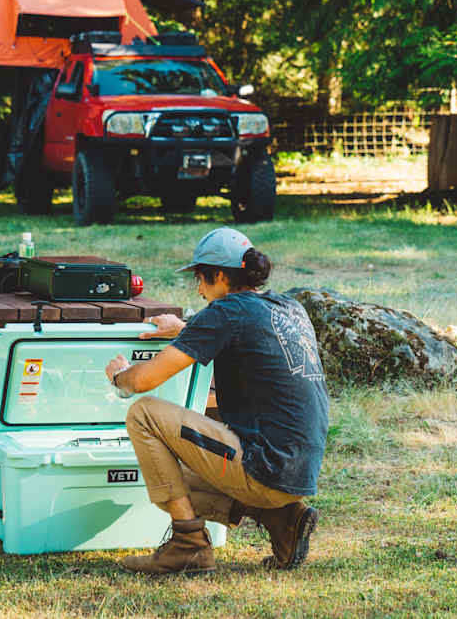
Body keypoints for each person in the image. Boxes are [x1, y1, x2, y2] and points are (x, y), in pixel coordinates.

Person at [104, 227, 330, 575]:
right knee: (172, 477)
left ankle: (188, 545)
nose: (198, 289)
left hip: (265, 468)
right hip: (298, 471)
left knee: (143, 414)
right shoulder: (287, 306)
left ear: (221, 276)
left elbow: (146, 380)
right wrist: (186, 327)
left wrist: (121, 376)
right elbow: (247, 332)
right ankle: (282, 517)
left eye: (201, 278)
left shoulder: (225, 313)